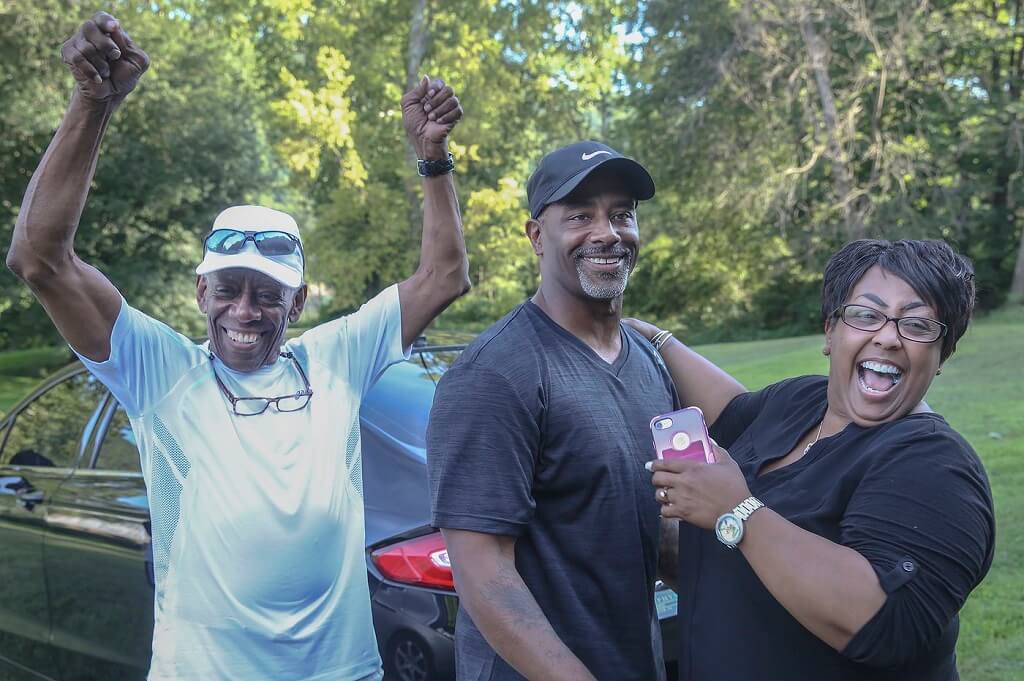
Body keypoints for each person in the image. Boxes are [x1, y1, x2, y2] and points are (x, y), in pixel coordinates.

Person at [6, 11, 470, 681]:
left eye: (267, 294)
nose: (244, 311)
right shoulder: (160, 370)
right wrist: (92, 102)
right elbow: (39, 258)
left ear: (299, 303)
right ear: (200, 291)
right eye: (228, 289)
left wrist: (433, 158)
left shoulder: (336, 360)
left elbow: (444, 275)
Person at [629, 239, 994, 680]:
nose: (887, 337)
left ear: (942, 353)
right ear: (830, 331)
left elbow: (885, 624)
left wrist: (736, 512)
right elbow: (731, 409)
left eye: (916, 326)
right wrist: (654, 337)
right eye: (866, 315)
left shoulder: (937, 467)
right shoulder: (802, 401)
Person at [426, 141, 677, 681]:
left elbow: (657, 528)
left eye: (621, 214)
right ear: (537, 237)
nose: (607, 232)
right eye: (580, 215)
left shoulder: (648, 364)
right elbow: (483, 572)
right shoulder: (495, 373)